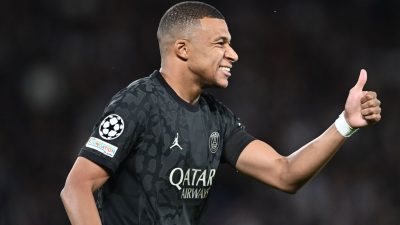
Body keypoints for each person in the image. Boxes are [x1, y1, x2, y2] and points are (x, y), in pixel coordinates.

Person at [60, 1, 382, 225]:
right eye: (221, 43)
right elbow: (76, 187)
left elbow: (285, 174)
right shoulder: (138, 103)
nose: (234, 54)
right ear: (183, 49)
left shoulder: (217, 119)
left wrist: (345, 124)